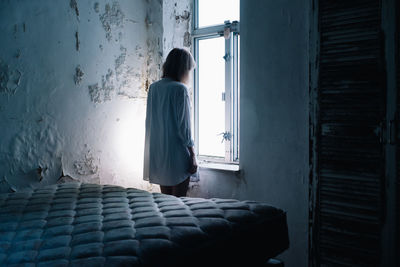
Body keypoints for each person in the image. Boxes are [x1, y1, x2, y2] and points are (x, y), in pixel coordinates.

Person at [143, 48, 197, 197]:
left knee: (166, 205)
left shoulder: (154, 88)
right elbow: (184, 128)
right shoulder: (180, 89)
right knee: (179, 204)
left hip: (159, 153)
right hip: (177, 154)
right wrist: (192, 155)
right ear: (183, 68)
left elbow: (151, 122)